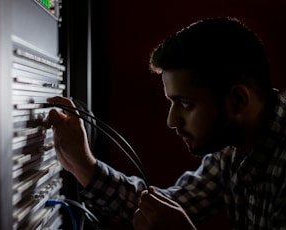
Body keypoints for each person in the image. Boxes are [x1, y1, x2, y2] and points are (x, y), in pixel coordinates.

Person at [44, 17, 286, 229]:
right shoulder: (232, 151)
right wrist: (83, 164)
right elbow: (163, 209)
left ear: (237, 101)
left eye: (186, 103)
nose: (172, 120)